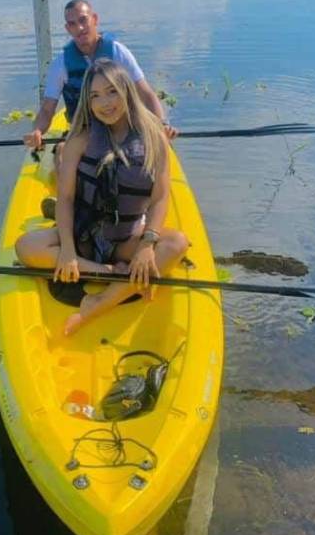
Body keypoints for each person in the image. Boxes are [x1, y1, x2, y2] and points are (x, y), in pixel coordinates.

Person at [15, 59, 188, 336]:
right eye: (95, 96)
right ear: (88, 101)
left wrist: (147, 245)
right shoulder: (80, 139)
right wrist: (69, 251)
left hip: (125, 238)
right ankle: (111, 273)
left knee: (177, 243)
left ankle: (97, 304)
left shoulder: (155, 137)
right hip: (83, 235)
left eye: (111, 92)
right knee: (25, 247)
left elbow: (160, 198)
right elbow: (67, 198)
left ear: (126, 91)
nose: (105, 103)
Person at [23, 0, 177, 154]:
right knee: (63, 153)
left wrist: (162, 124)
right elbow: (47, 109)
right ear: (67, 29)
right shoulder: (60, 64)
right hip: (85, 131)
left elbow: (146, 94)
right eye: (72, 24)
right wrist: (37, 130)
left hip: (120, 127)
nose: (80, 28)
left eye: (83, 20)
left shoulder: (118, 52)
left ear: (94, 19)